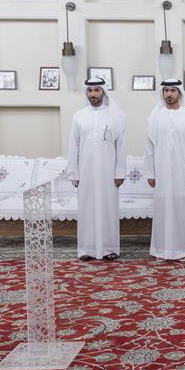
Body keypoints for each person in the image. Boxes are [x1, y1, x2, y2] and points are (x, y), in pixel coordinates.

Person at [66, 77, 127, 261]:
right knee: (86, 208)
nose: (93, 94)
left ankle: (109, 249)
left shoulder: (116, 116)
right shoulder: (79, 116)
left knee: (108, 208)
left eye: (97, 90)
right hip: (85, 172)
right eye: (90, 90)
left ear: (104, 92)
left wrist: (119, 172)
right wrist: (74, 173)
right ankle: (86, 249)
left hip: (108, 172)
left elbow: (121, 146)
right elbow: (73, 146)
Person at [144, 79, 185, 260]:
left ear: (180, 93)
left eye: (173, 90)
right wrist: (150, 173)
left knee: (182, 210)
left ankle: (184, 250)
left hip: (183, 173)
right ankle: (160, 250)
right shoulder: (154, 117)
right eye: (166, 90)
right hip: (161, 173)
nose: (169, 94)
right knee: (162, 210)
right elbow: (149, 147)